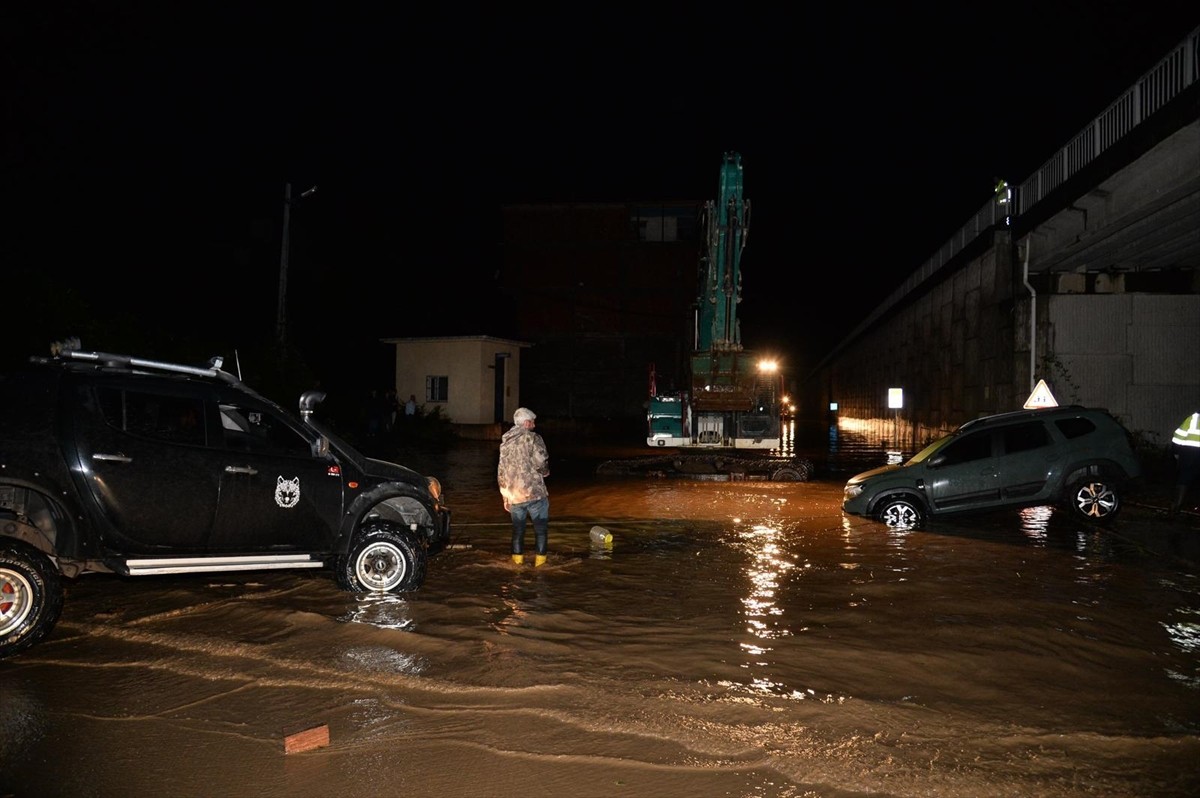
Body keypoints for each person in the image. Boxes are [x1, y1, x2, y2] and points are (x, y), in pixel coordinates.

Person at [497, 407, 550, 566]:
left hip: (515, 496)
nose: (534, 426)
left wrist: (505, 496)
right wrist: (545, 471)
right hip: (535, 494)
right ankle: (540, 567)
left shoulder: (505, 442)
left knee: (517, 532)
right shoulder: (533, 438)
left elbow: (501, 471)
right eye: (532, 422)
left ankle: (517, 567)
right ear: (526, 423)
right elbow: (541, 460)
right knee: (540, 532)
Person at [1170, 410, 1200, 514]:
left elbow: (1178, 436)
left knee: (1184, 478)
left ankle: (1177, 505)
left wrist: (1176, 451)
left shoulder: (1192, 418)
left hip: (1189, 453)